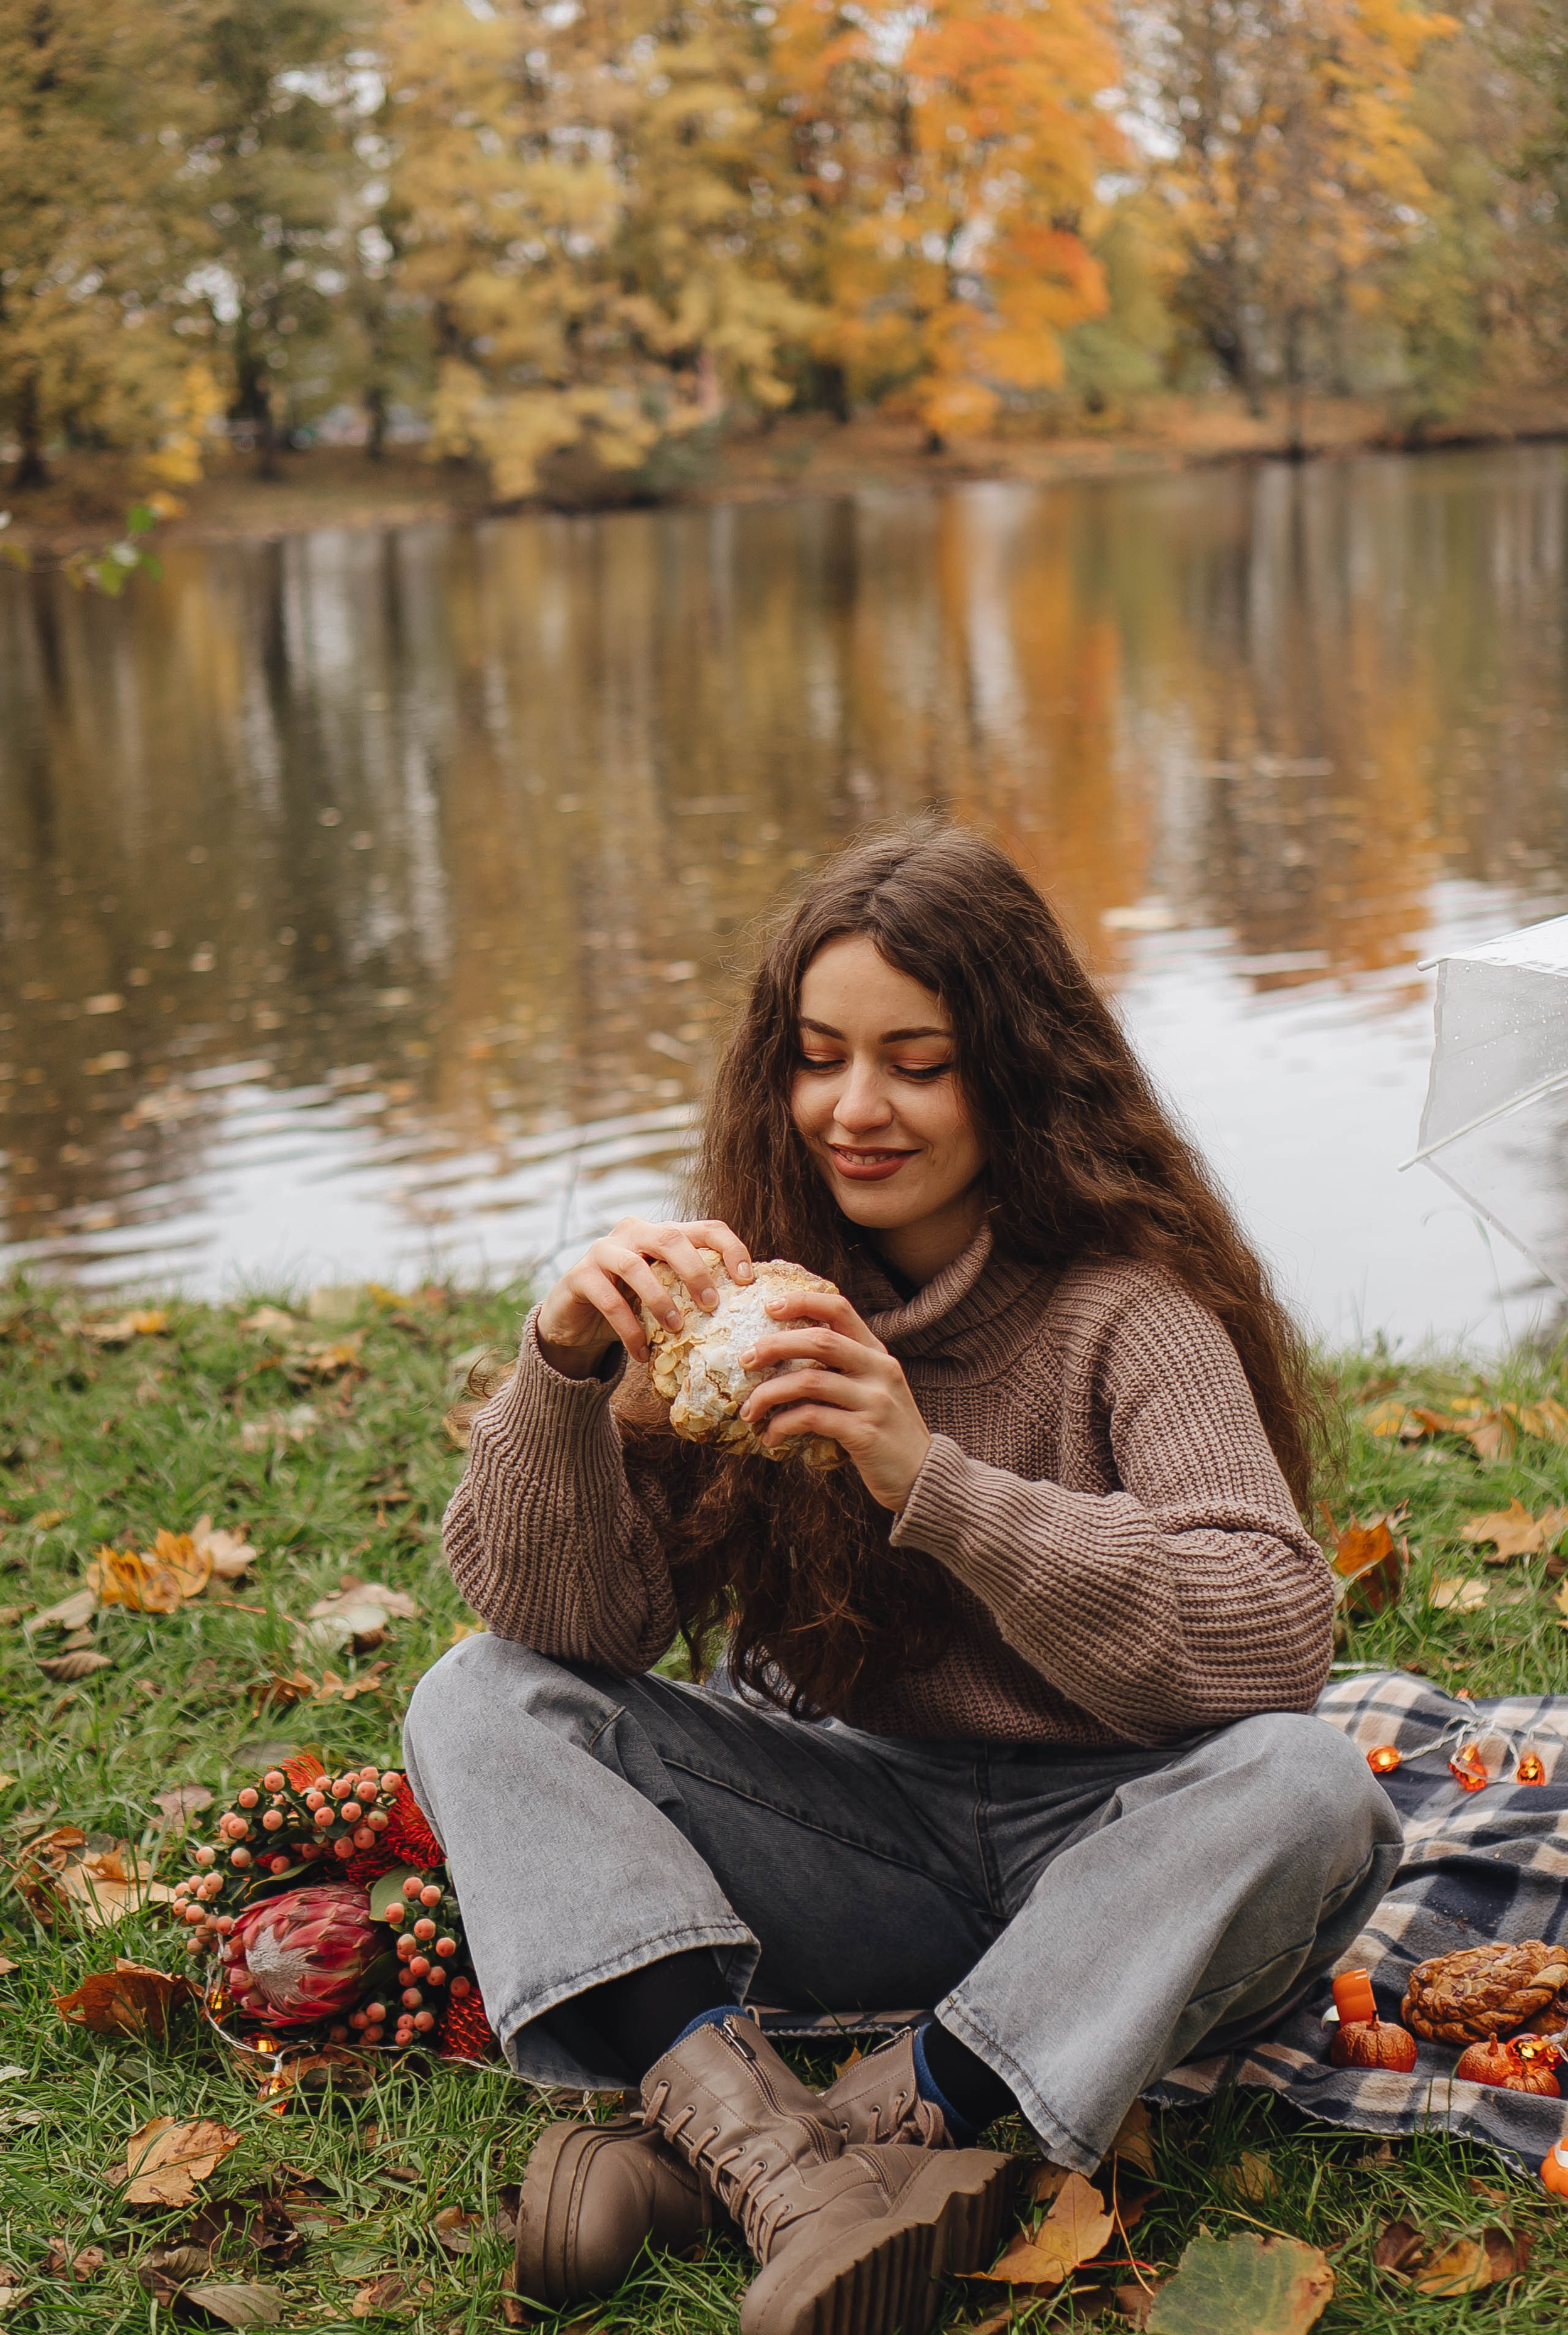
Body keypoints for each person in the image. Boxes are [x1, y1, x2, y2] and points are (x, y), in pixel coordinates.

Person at [405, 823, 1400, 2335]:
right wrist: (561, 1385)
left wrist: (928, 1478)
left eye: (914, 1062)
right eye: (817, 1058)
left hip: (1125, 1858)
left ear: (1011, 1070)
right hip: (860, 1835)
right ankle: (775, 2162)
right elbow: (575, 1632)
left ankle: (863, 2129)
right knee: (479, 1697)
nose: (854, 1109)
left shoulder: (1129, 1312)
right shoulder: (736, 1305)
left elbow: (1267, 1637)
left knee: (1312, 1789)